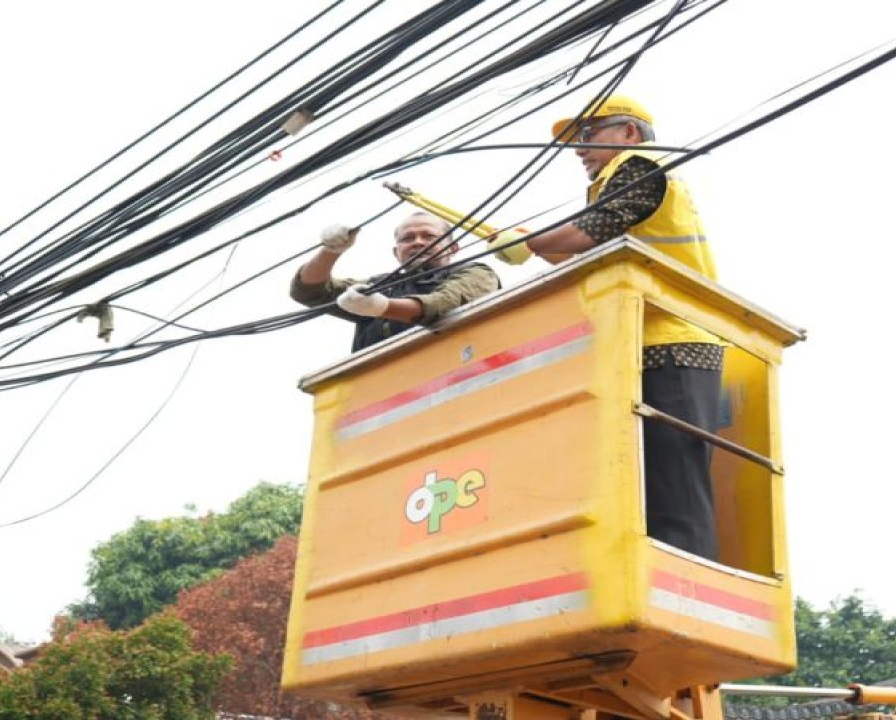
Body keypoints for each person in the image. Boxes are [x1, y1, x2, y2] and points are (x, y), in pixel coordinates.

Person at [489, 94, 724, 561]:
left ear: (629, 133)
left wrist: (528, 240)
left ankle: (681, 580)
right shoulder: (618, 182)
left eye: (588, 135)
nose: (579, 149)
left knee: (672, 477)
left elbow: (586, 232)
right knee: (638, 479)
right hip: (643, 339)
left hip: (676, 340)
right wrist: (532, 246)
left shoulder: (640, 166)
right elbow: (581, 251)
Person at [291, 211, 500, 352]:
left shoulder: (476, 272)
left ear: (453, 248)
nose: (418, 242)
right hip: (379, 399)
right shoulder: (382, 285)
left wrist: (380, 306)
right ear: (396, 252)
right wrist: (331, 251)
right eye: (407, 239)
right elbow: (309, 291)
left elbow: (442, 303)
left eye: (429, 236)